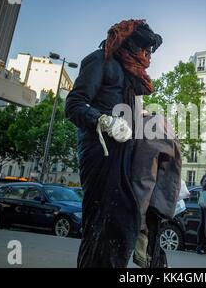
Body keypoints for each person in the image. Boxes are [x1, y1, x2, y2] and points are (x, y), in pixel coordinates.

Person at [65, 19, 168, 268]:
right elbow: (74, 105)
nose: (147, 56)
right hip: (101, 153)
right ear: (130, 45)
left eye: (149, 51)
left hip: (126, 152)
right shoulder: (100, 60)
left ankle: (147, 248)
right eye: (144, 49)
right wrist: (102, 120)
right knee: (103, 223)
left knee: (129, 217)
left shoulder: (132, 77)